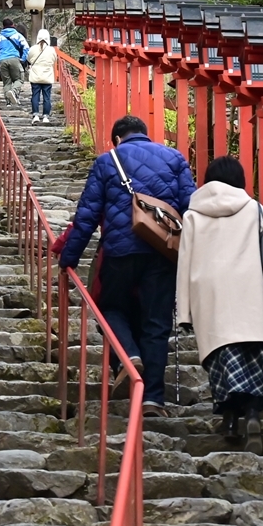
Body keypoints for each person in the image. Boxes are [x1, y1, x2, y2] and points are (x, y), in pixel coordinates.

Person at [58, 114, 195, 416]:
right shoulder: (174, 158)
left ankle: (129, 355)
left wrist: (68, 259)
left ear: (117, 138)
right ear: (145, 134)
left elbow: (87, 216)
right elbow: (191, 206)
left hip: (120, 251)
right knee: (157, 324)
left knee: (111, 309)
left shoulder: (109, 161)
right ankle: (153, 399)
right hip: (162, 251)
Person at [176, 154, 263, 448]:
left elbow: (184, 263)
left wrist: (184, 313)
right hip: (247, 293)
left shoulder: (192, 215)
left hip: (210, 296)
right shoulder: (254, 209)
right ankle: (254, 413)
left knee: (221, 357)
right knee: (252, 353)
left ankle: (229, 418)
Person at [0, 18, 30, 105]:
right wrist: (23, 59)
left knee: (6, 82)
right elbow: (26, 48)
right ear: (13, 25)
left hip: (2, 61)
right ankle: (14, 92)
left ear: (3, 26)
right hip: (14, 59)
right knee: (19, 79)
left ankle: (8, 102)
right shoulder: (18, 35)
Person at [27, 30, 59, 124]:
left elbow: (29, 59)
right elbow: (54, 60)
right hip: (47, 76)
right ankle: (45, 116)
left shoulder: (33, 49)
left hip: (35, 75)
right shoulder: (51, 50)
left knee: (35, 95)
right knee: (47, 97)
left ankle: (35, 115)